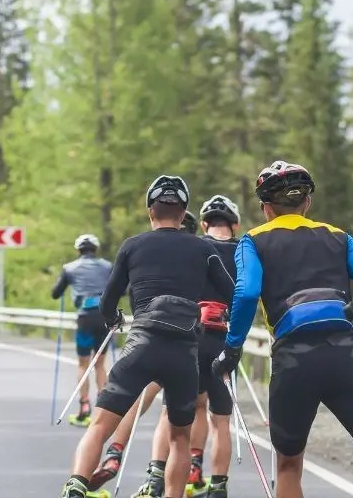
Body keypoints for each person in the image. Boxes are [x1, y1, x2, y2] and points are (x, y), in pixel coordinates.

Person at [212, 161, 353, 498]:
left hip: (294, 361)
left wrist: (232, 349)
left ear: (265, 208)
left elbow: (248, 292)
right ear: (307, 203)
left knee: (288, 467)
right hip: (344, 356)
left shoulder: (253, 241)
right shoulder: (338, 236)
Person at [60, 175, 235, 498]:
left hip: (141, 343)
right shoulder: (202, 248)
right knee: (179, 438)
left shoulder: (132, 246)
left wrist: (115, 319)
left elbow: (107, 300)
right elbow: (232, 294)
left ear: (150, 212)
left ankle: (76, 486)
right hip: (184, 352)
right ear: (183, 215)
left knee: (100, 425)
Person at [88, 203, 211, 492]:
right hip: (193, 340)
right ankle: (188, 469)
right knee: (190, 410)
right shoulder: (202, 254)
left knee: (140, 396)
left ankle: (117, 454)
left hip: (152, 336)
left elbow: (114, 296)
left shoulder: (143, 249)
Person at [131, 194, 242, 498]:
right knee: (220, 419)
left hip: (190, 338)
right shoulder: (243, 252)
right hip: (222, 337)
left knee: (172, 412)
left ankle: (156, 479)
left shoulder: (198, 249)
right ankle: (217, 487)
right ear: (235, 224)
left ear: (203, 224)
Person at [52, 233, 115, 427]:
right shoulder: (107, 266)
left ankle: (84, 406)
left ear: (78, 250)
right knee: (100, 363)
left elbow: (56, 293)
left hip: (85, 317)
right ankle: (103, 409)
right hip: (104, 317)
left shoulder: (69, 268)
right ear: (95, 249)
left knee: (83, 364)